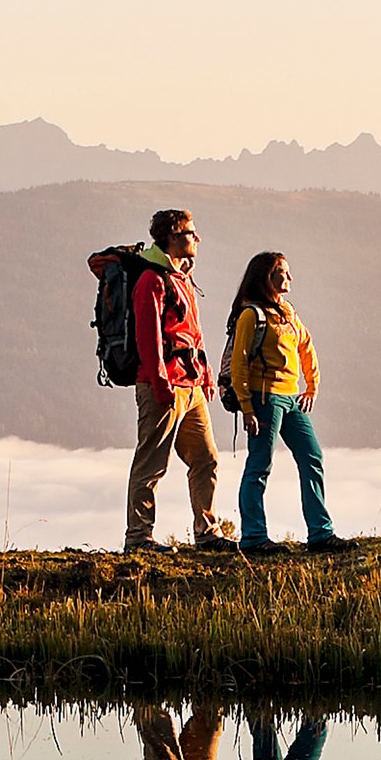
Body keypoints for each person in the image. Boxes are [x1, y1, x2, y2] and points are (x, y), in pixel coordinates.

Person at [118, 209, 226, 553]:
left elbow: (192, 331)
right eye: (191, 233)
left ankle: (208, 532)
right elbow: (146, 337)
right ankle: (139, 539)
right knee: (152, 463)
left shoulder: (180, 277)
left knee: (206, 457)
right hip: (161, 386)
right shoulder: (152, 279)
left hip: (190, 385)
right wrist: (161, 383)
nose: (197, 238)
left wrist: (205, 374)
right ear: (172, 235)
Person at [225, 251, 344, 551]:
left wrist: (312, 386)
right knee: (260, 465)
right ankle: (253, 538)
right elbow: (239, 364)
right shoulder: (252, 315)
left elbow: (306, 345)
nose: (289, 277)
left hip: (290, 398)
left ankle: (320, 533)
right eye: (283, 272)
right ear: (267, 276)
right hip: (264, 398)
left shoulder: (288, 312)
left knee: (312, 457)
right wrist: (247, 407)